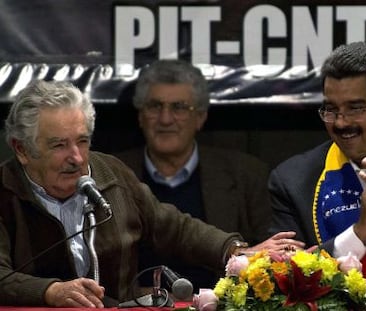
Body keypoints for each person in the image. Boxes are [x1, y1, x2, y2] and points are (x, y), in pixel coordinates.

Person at [0, 79, 302, 308]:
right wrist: (51, 291)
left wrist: (234, 251)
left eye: (82, 141)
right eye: (59, 145)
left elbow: (172, 227)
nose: (77, 158)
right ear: (22, 150)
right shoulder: (5, 189)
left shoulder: (110, 173)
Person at [115, 59, 302, 291]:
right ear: (141, 116)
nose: (165, 119)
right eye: (154, 106)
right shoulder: (114, 175)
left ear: (201, 117)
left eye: (179, 107)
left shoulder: (246, 175)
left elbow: (270, 256)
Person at [268, 41, 366, 298]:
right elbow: (283, 283)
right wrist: (358, 234)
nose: (341, 123)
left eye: (355, 108)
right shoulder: (294, 180)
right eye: (331, 109)